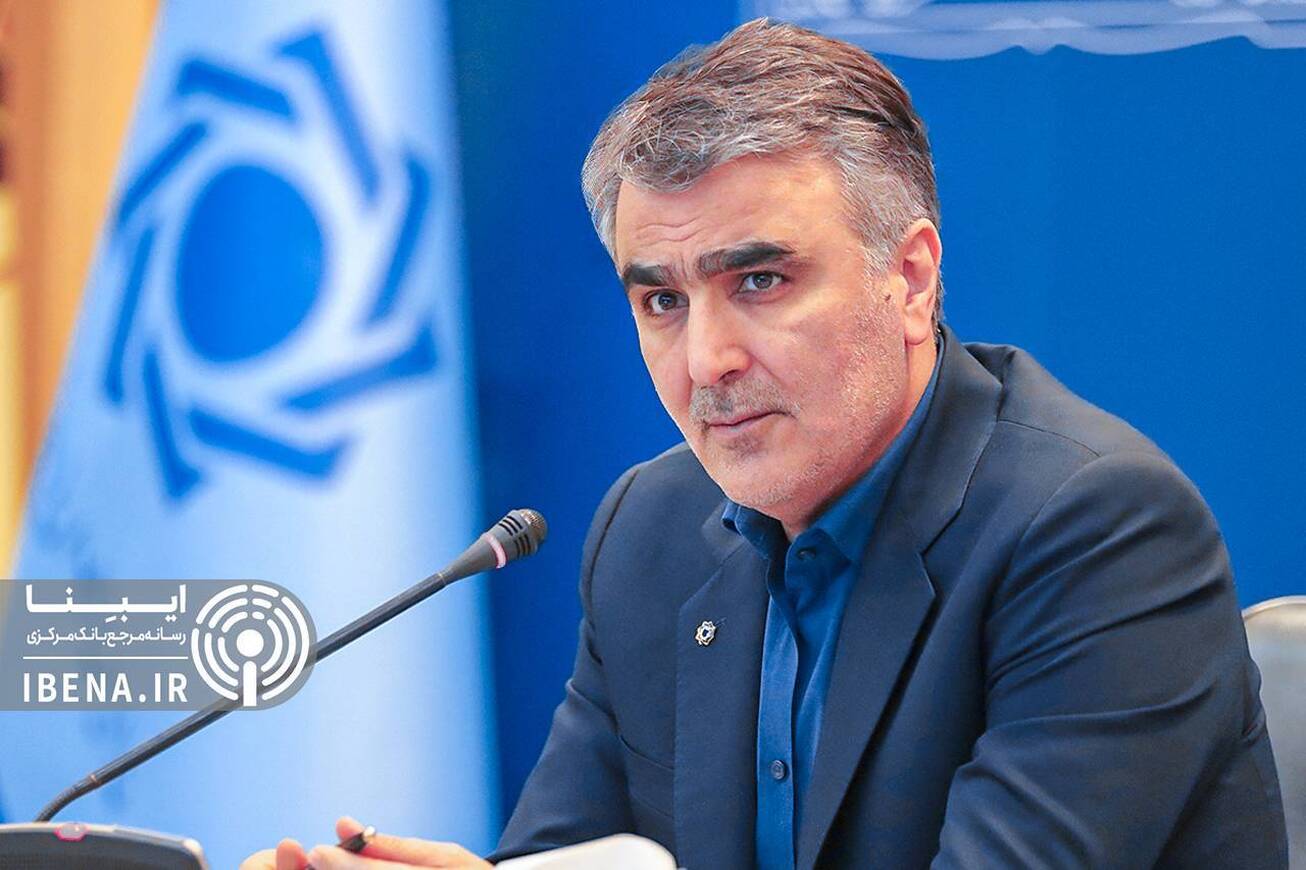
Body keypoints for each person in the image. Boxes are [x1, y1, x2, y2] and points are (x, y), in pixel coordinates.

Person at [243, 18, 1287, 870]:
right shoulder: (652, 529)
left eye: (760, 281)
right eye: (661, 300)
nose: (707, 359)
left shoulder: (1096, 532)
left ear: (909, 279)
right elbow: (566, 855)